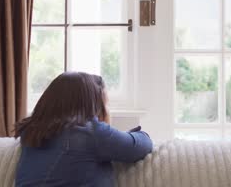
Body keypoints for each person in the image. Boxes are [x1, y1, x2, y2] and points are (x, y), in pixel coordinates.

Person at [14, 72, 153, 187]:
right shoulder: (89, 133)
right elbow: (140, 146)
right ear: (91, 105)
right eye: (105, 104)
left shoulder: (30, 133)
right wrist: (134, 134)